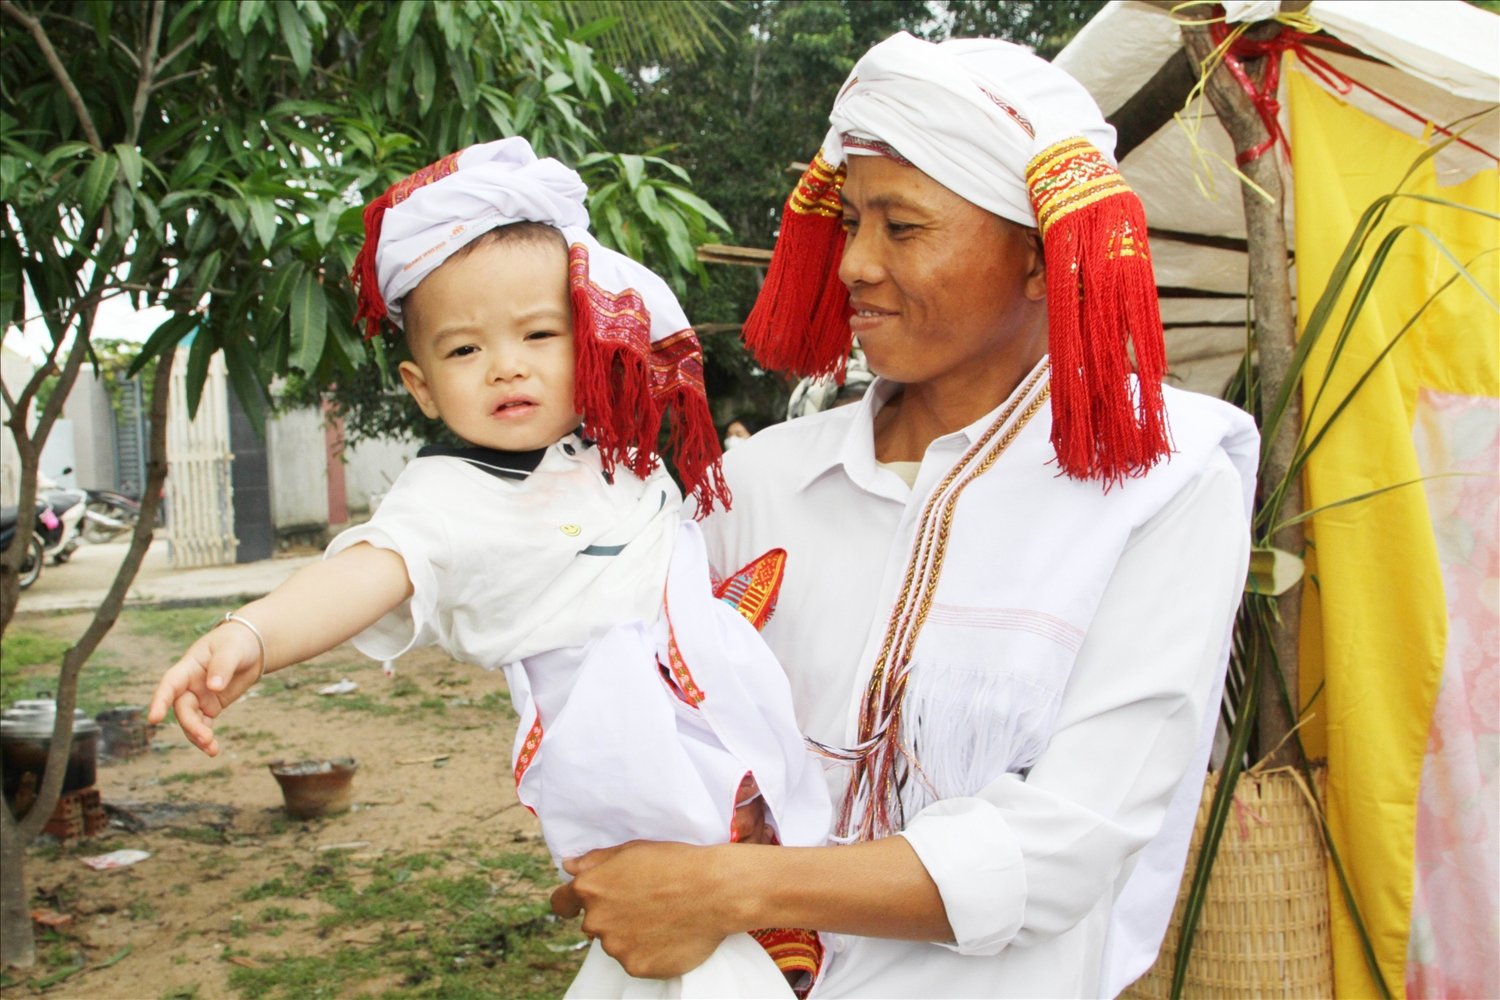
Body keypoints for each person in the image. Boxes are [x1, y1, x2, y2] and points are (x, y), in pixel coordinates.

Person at [551, 32, 1260, 999]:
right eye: (849, 223)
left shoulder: (1163, 483)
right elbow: (638, 713)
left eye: (903, 227)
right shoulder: (762, 481)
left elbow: (1066, 842)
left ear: (1042, 259)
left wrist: (720, 887)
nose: (852, 266)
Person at [146, 138, 831, 999]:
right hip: (620, 745)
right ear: (422, 386)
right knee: (691, 941)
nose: (506, 364)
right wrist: (252, 633)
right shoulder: (450, 495)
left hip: (703, 692)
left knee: (760, 844)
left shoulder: (608, 447)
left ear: (588, 342)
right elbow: (371, 567)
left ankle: (771, 909)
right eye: (465, 351)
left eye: (539, 334)